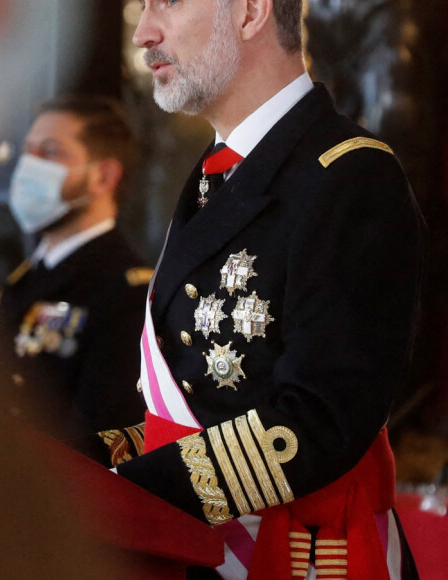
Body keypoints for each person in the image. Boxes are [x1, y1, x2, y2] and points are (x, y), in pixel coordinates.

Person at [77, 1, 425, 578]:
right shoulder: (221, 171)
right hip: (198, 544)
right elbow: (203, 399)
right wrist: (93, 460)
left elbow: (318, 418)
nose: (143, 33)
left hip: (294, 555)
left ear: (249, 12)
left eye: (167, 2)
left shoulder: (350, 176)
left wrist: (127, 491)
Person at [0, 95, 150, 439]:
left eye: (51, 152)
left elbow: (98, 437)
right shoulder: (26, 277)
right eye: (28, 151)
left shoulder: (127, 294)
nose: (29, 166)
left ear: (103, 176)